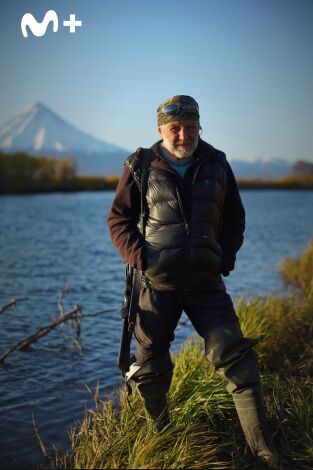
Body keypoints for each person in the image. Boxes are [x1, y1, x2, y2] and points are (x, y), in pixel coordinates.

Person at [107, 95, 284, 468]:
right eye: (174, 128)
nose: (183, 134)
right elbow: (118, 220)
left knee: (237, 360)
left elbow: (235, 216)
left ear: (199, 126)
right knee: (150, 366)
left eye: (190, 127)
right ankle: (163, 444)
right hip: (156, 286)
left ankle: (263, 451)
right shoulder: (140, 164)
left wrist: (225, 257)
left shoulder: (216, 162)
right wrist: (142, 258)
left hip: (207, 284)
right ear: (160, 129)